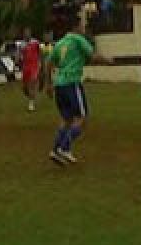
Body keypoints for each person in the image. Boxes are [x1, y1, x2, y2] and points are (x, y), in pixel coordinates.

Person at [43, 17, 111, 165]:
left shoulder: (60, 43)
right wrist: (108, 61)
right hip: (72, 83)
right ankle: (64, 147)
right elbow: (92, 56)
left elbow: (48, 62)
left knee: (66, 119)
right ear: (76, 27)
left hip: (59, 84)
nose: (84, 28)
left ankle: (55, 150)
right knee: (82, 118)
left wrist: (48, 84)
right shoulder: (78, 39)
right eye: (82, 25)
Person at [17, 27, 43, 112]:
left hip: (34, 66)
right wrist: (16, 62)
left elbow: (40, 53)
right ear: (23, 34)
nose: (27, 34)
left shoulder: (35, 42)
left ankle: (31, 104)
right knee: (24, 88)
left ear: (30, 34)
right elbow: (19, 55)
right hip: (25, 67)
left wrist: (41, 63)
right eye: (25, 33)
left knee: (32, 83)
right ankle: (31, 96)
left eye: (28, 32)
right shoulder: (21, 44)